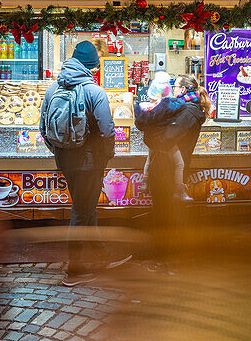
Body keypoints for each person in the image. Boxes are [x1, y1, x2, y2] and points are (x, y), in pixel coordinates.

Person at [39, 40, 116, 286]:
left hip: (65, 160)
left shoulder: (53, 89)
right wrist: (106, 155)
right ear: (92, 66)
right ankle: (75, 270)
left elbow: (43, 129)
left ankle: (101, 255)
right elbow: (107, 130)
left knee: (86, 207)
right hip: (90, 163)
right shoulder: (95, 91)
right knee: (81, 211)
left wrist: (59, 151)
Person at [134, 74, 209, 202]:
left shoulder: (186, 110)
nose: (173, 89)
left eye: (175, 86)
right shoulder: (181, 107)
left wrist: (150, 137)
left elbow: (167, 138)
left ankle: (173, 189)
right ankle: (148, 183)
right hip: (166, 172)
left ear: (183, 90)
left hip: (167, 175)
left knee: (165, 215)